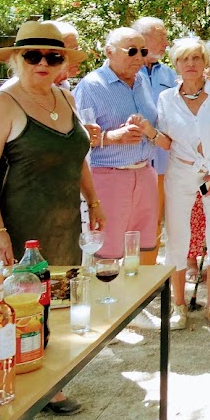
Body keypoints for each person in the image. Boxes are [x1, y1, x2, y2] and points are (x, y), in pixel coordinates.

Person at [0, 21, 98, 420]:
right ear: (15, 58)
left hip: (61, 222)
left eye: (53, 56)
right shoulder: (1, 105)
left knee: (48, 311)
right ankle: (6, 399)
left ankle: (46, 389)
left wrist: (93, 200)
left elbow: (77, 154)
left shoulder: (64, 97)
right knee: (11, 312)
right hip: (16, 227)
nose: (43, 63)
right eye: (33, 56)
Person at [156, 37, 210, 332]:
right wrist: (146, 132)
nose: (190, 64)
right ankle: (179, 306)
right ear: (175, 64)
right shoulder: (166, 98)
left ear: (205, 62)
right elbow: (165, 141)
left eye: (196, 58)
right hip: (180, 172)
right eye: (183, 59)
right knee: (177, 237)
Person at [74, 27, 164, 261]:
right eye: (131, 51)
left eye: (143, 51)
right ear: (109, 52)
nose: (138, 58)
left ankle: (140, 297)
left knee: (141, 250)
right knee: (107, 254)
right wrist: (112, 137)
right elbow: (76, 139)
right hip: (108, 178)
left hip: (144, 174)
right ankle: (106, 296)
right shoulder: (90, 86)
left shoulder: (142, 79)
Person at [133, 16, 175, 265]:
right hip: (130, 162)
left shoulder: (169, 74)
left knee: (155, 220)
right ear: (143, 39)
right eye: (161, 38)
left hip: (162, 162)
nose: (166, 44)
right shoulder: (126, 70)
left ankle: (147, 271)